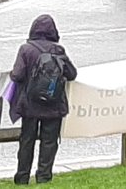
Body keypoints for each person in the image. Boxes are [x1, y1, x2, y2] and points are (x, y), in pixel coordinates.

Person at [8, 15, 77, 185]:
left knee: (27, 141)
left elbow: (17, 75)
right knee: (49, 142)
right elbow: (72, 74)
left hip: (30, 104)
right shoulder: (58, 50)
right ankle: (44, 177)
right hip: (54, 104)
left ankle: (22, 177)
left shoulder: (26, 49)